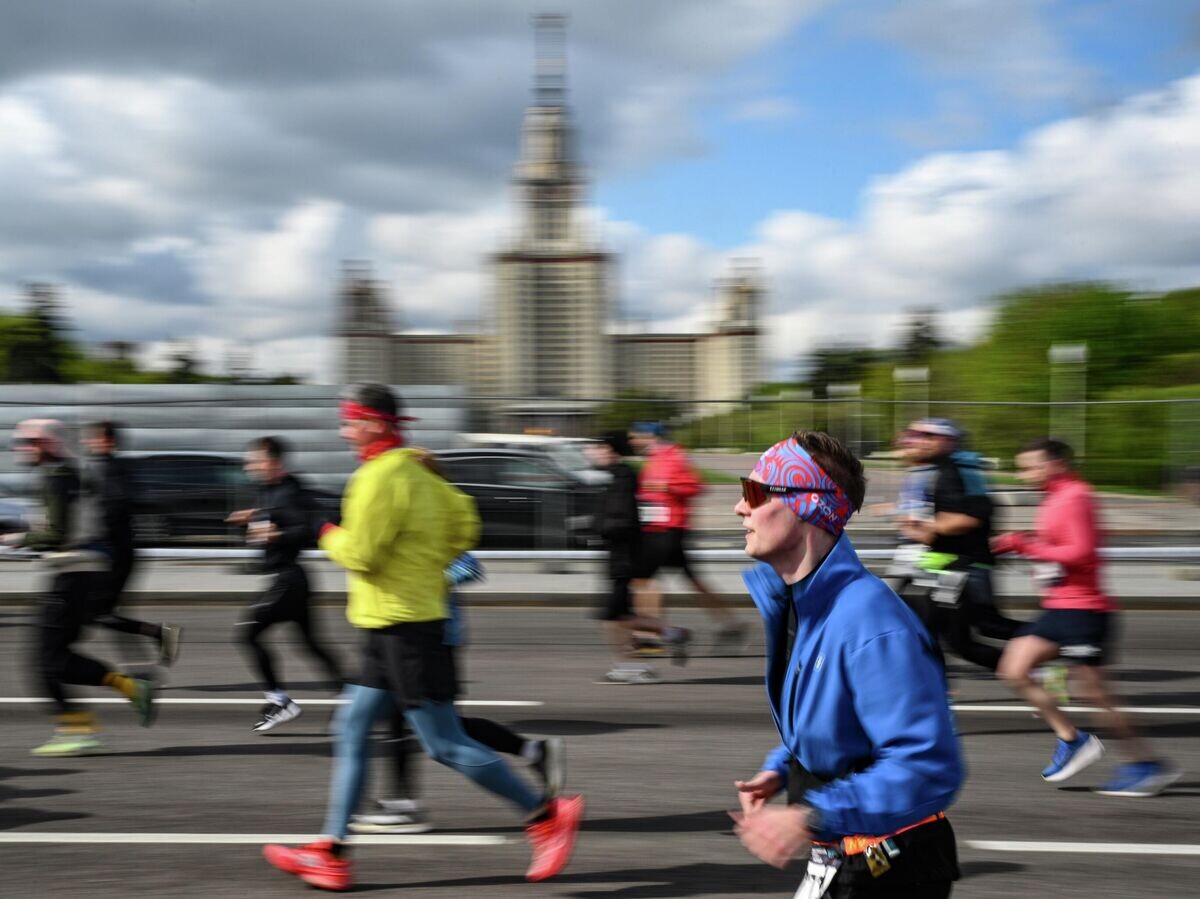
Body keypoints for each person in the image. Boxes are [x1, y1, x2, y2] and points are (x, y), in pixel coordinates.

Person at [262, 384, 583, 892]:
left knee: (445, 744)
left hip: (404, 628)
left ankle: (544, 815)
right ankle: (332, 850)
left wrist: (323, 529)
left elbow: (362, 554)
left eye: (350, 422)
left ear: (373, 424)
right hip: (390, 623)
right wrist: (421, 560)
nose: (344, 432)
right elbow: (464, 529)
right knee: (350, 729)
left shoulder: (378, 476)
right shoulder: (423, 475)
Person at [732, 431, 963, 898]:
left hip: (891, 868)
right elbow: (836, 713)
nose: (740, 508)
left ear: (809, 505)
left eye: (756, 493)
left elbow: (929, 764)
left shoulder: (871, 622)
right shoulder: (801, 604)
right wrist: (786, 767)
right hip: (842, 854)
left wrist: (809, 814)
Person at [350, 451, 565, 835]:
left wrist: (428, 576)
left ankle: (405, 803)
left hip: (433, 633)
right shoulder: (420, 510)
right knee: (432, 725)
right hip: (419, 631)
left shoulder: (435, 515)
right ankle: (531, 752)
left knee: (430, 727)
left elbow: (470, 566)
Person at [994, 438, 1181, 797]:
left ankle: (1146, 764)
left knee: (1095, 695)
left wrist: (1024, 545)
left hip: (1084, 610)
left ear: (1056, 464)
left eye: (1030, 465)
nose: (1023, 474)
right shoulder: (1053, 498)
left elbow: (1081, 552)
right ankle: (1074, 739)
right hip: (1060, 607)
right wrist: (1019, 544)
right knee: (1013, 669)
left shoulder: (1076, 495)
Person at [1, 419, 155, 756]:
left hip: (71, 574)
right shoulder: (69, 473)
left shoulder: (58, 477)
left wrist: (16, 538)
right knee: (58, 657)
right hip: (80, 573)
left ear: (48, 444)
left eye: (28, 442)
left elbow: (56, 533)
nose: (21, 448)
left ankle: (78, 727)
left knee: (42, 661)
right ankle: (130, 687)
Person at [228, 436, 344, 733]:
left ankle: (280, 701)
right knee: (312, 646)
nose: (249, 466)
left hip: (288, 579)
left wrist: (276, 536)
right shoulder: (268, 492)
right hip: (291, 580)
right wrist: (251, 517)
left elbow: (306, 529)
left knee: (247, 634)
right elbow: (273, 516)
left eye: (255, 461)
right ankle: (352, 695)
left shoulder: (291, 492)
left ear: (273, 463)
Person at [898, 418, 1020, 673]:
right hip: (948, 565)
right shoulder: (946, 469)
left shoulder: (959, 469)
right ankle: (936, 684)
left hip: (965, 567)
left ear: (948, 440)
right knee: (944, 632)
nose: (921, 441)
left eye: (929, 437)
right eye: (919, 436)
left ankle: (1053, 645)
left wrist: (927, 526)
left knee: (979, 631)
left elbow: (970, 517)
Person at [628, 420, 745, 652]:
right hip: (659, 529)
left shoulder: (673, 456)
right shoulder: (654, 458)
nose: (632, 441)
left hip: (668, 531)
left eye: (635, 437)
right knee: (691, 582)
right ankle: (730, 624)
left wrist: (667, 487)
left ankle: (649, 637)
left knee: (643, 580)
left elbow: (696, 486)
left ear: (649, 436)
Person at [585, 432, 690, 684]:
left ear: (611, 451)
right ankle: (673, 634)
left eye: (598, 447)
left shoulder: (622, 479)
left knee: (611, 615)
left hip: (623, 558)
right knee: (621, 614)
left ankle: (632, 667)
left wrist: (596, 528)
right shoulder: (616, 477)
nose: (592, 452)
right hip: (619, 557)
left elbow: (621, 520)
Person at [81, 421, 182, 666]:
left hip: (114, 553)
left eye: (93, 438)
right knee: (105, 614)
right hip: (114, 551)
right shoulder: (108, 467)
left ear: (108, 441)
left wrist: (93, 539)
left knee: (99, 615)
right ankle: (146, 658)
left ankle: (157, 639)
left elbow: (114, 507)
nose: (87, 442)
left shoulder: (110, 469)